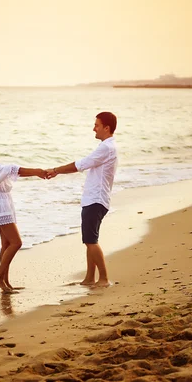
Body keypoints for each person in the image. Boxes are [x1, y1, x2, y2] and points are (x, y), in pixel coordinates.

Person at [46, 112, 118, 287]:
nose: (94, 128)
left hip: (96, 200)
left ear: (106, 128)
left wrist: (55, 170)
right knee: (90, 239)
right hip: (95, 199)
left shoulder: (106, 148)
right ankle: (89, 278)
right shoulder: (108, 147)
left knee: (90, 240)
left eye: (97, 125)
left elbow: (80, 165)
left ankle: (103, 278)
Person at [0, 133, 47, 293]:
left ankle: (5, 282)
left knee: (6, 244)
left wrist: (36, 173)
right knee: (16, 243)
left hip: (4, 202)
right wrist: (37, 171)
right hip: (0, 204)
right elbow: (13, 169)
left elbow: (13, 172)